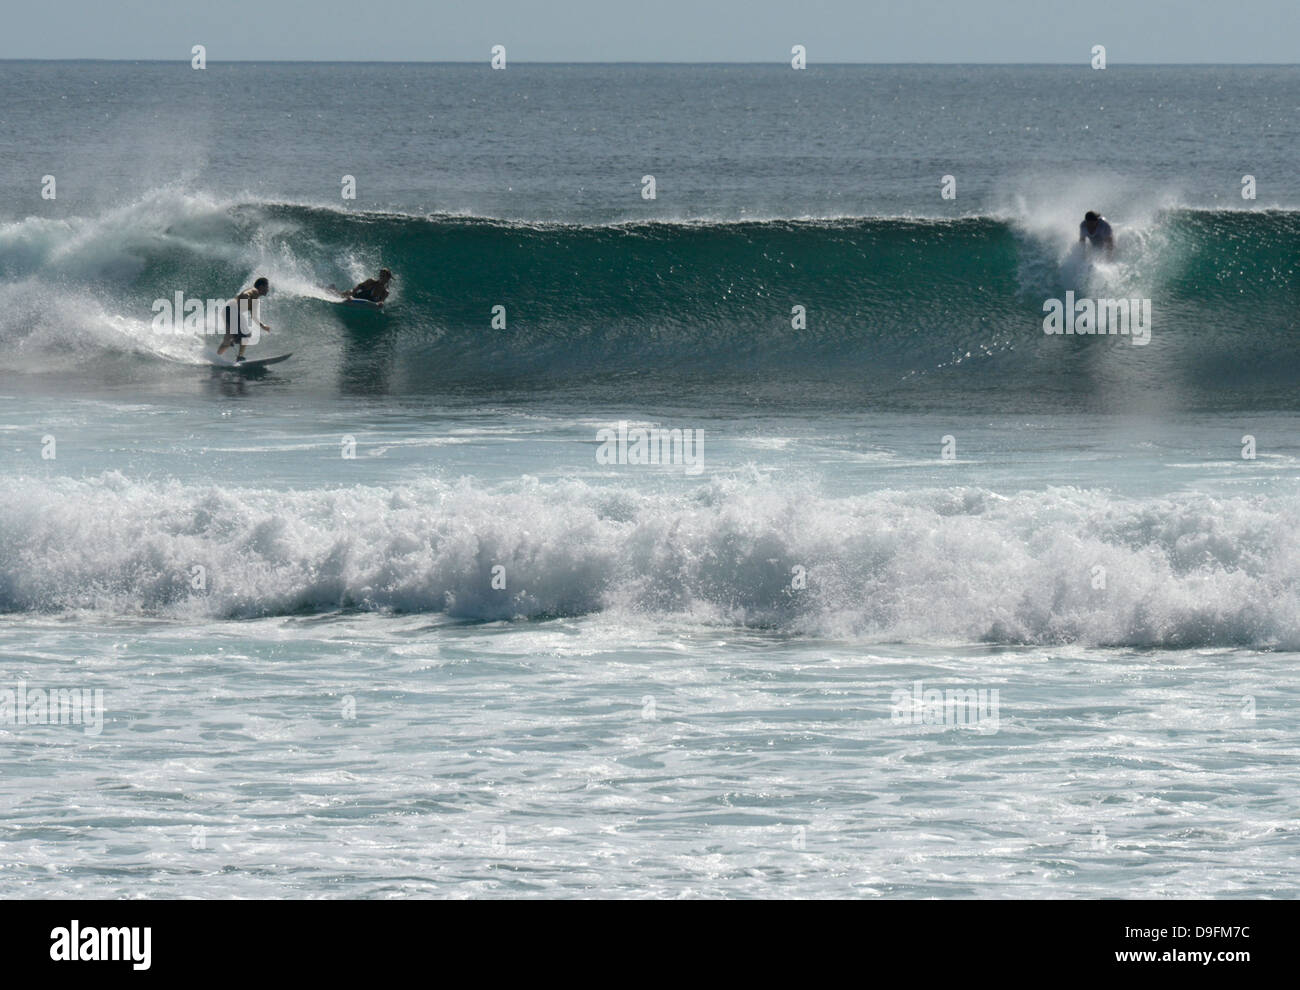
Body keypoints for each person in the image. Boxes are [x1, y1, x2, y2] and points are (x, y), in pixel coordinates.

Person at [216, 277, 272, 362]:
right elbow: (246, 293)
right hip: (232, 310)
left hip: (228, 310)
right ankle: (239, 356)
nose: (268, 289)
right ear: (261, 286)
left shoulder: (255, 299)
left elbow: (254, 317)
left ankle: (216, 357)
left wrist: (262, 326)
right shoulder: (254, 291)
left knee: (228, 341)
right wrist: (246, 297)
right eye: (267, 287)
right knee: (246, 334)